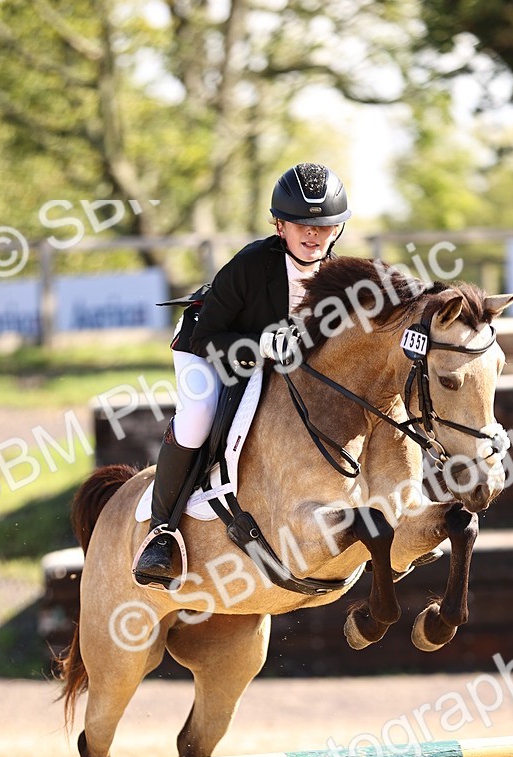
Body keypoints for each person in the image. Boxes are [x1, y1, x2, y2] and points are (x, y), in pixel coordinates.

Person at [133, 162, 352, 587]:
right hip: (208, 346)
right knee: (198, 419)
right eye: (300, 224)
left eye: (323, 226)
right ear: (279, 225)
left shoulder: (337, 279)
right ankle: (161, 532)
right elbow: (208, 337)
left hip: (276, 361)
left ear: (338, 230)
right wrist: (260, 346)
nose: (312, 234)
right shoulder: (252, 264)